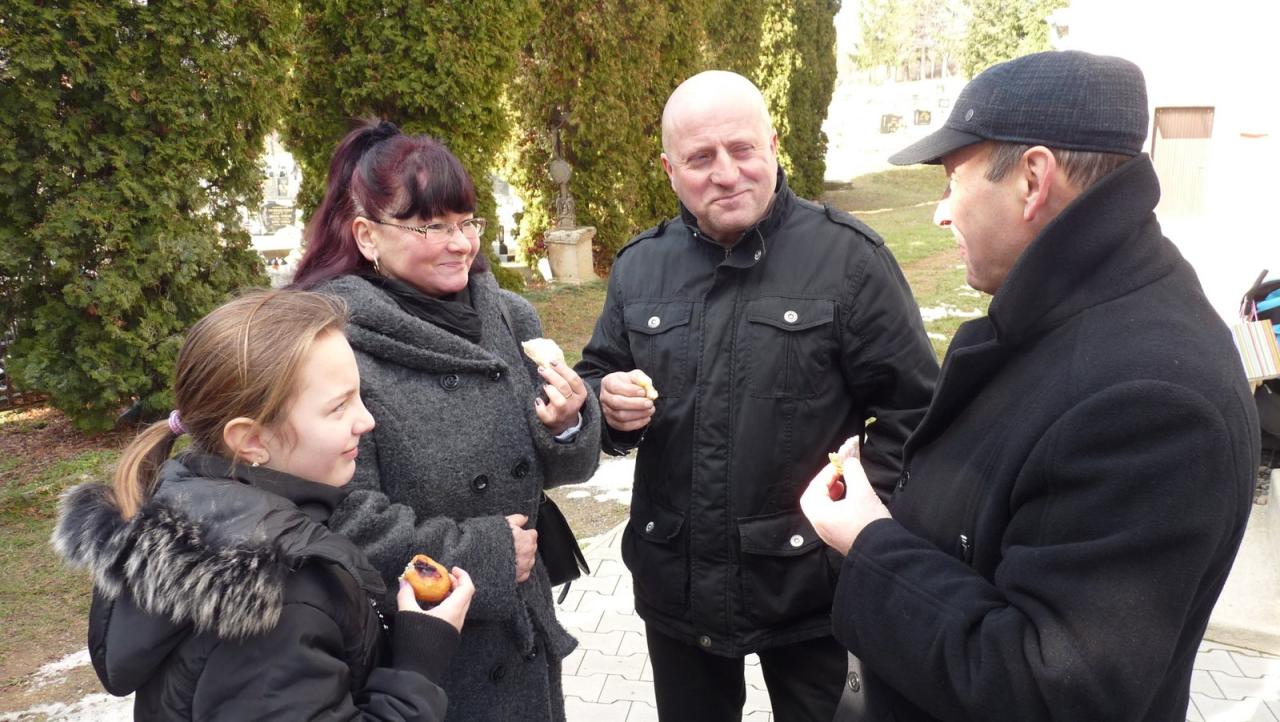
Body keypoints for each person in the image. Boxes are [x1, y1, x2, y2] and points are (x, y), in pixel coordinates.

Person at [799, 51, 1260, 722]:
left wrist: (867, 538)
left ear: (1033, 180)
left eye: (952, 180)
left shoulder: (1151, 401)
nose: (940, 214)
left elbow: (1054, 690)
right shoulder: (1082, 310)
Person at [575, 71, 939, 721]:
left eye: (742, 149)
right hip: (677, 583)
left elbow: (914, 413)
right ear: (670, 170)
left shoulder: (849, 260)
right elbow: (599, 373)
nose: (726, 173)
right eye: (700, 159)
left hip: (813, 590)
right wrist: (607, 402)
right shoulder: (639, 267)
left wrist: (854, 522)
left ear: (772, 145)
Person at [290, 119, 601, 722]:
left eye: (466, 222)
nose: (460, 244)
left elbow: (554, 471)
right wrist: (481, 554)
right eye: (432, 226)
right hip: (420, 651)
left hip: (522, 635)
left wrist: (566, 424)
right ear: (367, 235)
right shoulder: (328, 344)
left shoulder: (509, 316)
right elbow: (334, 519)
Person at [53, 289, 475, 720]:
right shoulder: (275, 602)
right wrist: (416, 667)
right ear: (252, 441)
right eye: (338, 407)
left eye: (358, 396)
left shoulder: (194, 506)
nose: (367, 420)